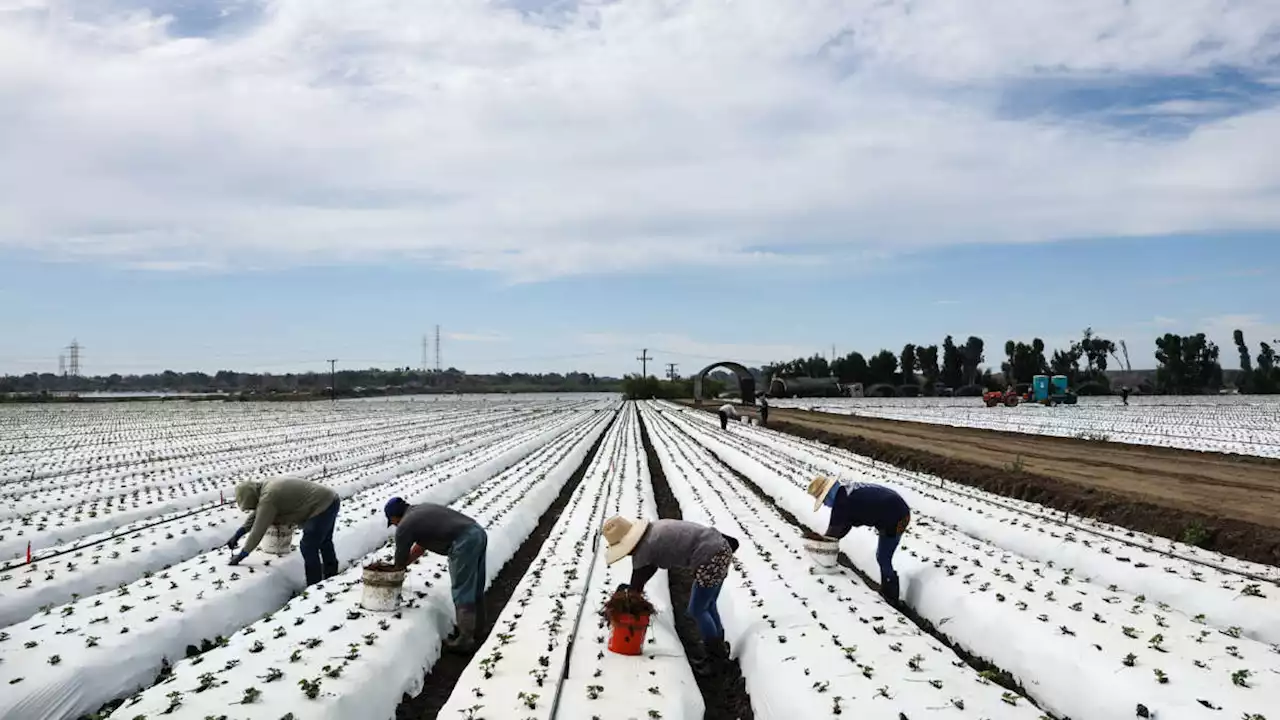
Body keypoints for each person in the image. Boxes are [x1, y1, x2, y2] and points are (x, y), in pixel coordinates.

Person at [602, 515, 739, 676]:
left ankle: (716, 660)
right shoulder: (652, 533)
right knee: (708, 604)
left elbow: (637, 584)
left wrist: (626, 597)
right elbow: (649, 569)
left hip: (710, 556)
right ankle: (719, 654)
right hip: (719, 548)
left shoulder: (644, 548)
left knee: (697, 609)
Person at [385, 497, 488, 652]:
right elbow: (420, 547)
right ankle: (478, 629)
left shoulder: (405, 525)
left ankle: (465, 640)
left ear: (394, 517)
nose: (394, 525)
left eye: (392, 522)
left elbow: (400, 559)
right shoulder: (421, 510)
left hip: (463, 542)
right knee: (475, 585)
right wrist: (404, 565)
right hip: (477, 532)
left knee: (463, 590)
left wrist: (393, 577)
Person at [806, 476, 910, 606]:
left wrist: (821, 548)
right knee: (882, 556)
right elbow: (844, 526)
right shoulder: (843, 491)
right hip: (894, 506)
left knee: (883, 557)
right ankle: (887, 592)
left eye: (823, 501)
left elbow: (834, 532)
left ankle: (892, 599)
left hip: (897, 515)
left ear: (827, 494)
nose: (825, 505)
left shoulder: (842, 502)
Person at [226, 478, 340, 586]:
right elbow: (256, 516)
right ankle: (331, 575)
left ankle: (314, 584)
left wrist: (241, 555)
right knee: (324, 541)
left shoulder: (269, 498)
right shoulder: (266, 488)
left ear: (251, 498)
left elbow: (258, 529)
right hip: (330, 499)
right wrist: (237, 535)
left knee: (308, 546)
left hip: (322, 506)